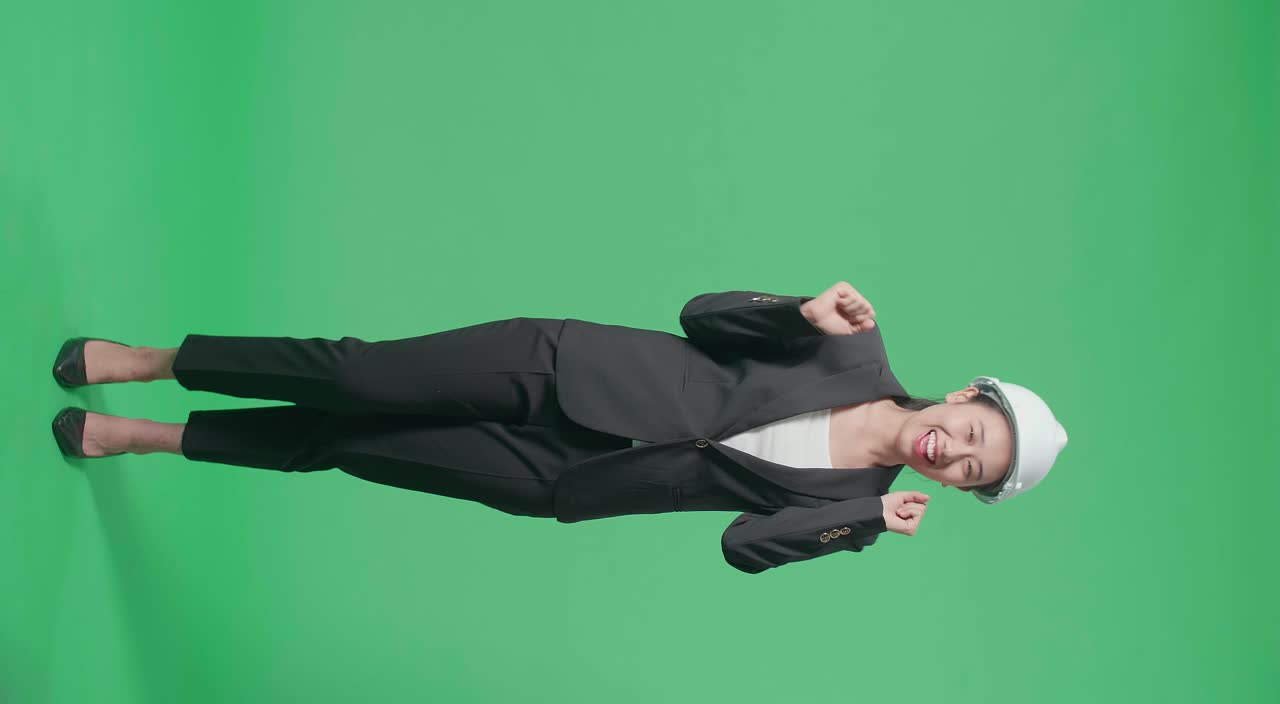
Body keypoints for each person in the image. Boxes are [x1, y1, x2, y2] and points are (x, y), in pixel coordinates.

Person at [49, 282, 1068, 574]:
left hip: (562, 480)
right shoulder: (849, 344)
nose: (956, 448)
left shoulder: (847, 511)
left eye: (973, 468)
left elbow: (739, 547)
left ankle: (147, 436)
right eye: (973, 427)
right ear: (961, 396)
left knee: (348, 447)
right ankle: (159, 361)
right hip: (561, 365)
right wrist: (791, 312)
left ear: (958, 488)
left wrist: (855, 529)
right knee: (359, 376)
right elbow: (701, 317)